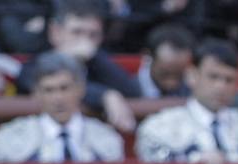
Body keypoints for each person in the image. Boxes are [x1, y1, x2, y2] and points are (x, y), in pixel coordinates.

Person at [15, 0, 142, 134]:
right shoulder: (36, 63)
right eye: (76, 32)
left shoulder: (98, 61)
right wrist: (104, 95)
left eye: (93, 35)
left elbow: (133, 92)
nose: (85, 42)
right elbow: (31, 79)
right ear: (55, 32)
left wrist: (95, 56)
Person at [0, 51, 125, 163]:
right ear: (37, 94)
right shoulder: (8, 139)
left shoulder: (107, 139)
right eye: (49, 90)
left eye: (64, 88)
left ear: (81, 89)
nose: (57, 98)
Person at [137, 24, 195, 99]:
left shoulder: (192, 87)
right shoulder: (129, 88)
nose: (171, 82)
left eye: (179, 74)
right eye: (165, 73)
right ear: (148, 58)